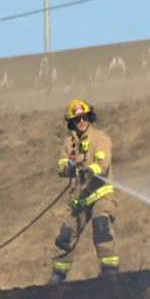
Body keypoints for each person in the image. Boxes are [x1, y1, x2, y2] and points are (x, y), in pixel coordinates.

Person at [50, 98, 120, 283]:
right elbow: (62, 165)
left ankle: (110, 273)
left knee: (101, 225)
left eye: (84, 117)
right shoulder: (68, 144)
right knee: (65, 235)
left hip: (100, 193)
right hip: (79, 198)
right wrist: (68, 168)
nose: (81, 122)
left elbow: (103, 165)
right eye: (77, 119)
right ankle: (58, 276)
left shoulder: (101, 139)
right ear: (72, 122)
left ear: (90, 117)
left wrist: (91, 169)